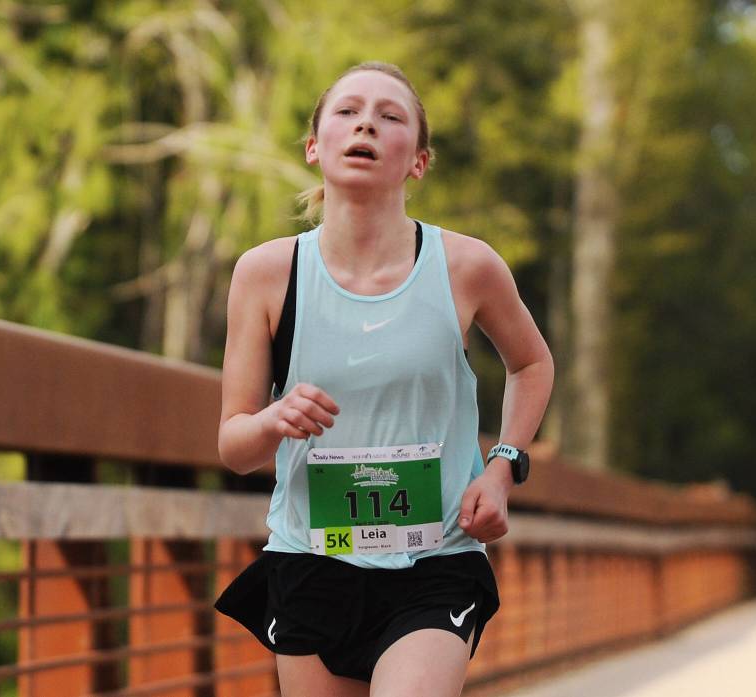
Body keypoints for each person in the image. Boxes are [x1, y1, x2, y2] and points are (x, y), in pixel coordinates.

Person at [213, 62, 554, 697]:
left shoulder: (467, 266)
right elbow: (234, 445)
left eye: (391, 115)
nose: (366, 121)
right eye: (347, 111)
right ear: (316, 147)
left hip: (437, 560)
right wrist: (271, 419)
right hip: (310, 561)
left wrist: (502, 466)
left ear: (418, 162)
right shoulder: (265, 275)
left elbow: (532, 363)